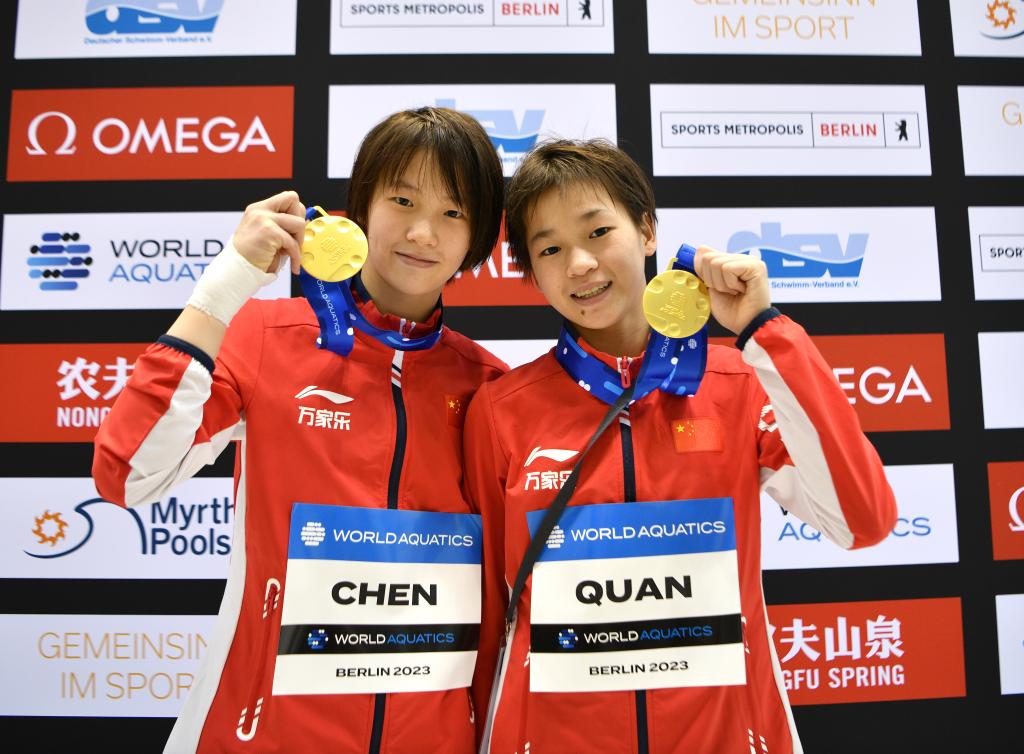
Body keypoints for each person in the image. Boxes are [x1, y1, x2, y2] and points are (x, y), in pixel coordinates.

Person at [463, 139, 898, 754]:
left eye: (598, 232)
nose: (579, 264)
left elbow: (861, 521)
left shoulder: (737, 384)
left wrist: (765, 332)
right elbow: (490, 611)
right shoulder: (502, 409)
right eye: (550, 249)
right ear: (532, 272)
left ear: (646, 231)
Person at [93, 107, 506, 754]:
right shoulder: (267, 337)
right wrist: (223, 288)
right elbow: (128, 473)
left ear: (478, 234)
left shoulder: (487, 384)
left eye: (453, 212)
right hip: (259, 734)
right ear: (361, 206)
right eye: (403, 200)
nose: (423, 232)